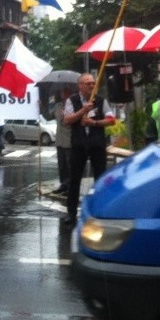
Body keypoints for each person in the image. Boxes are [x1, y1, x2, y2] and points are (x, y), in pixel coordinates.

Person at [63, 73, 115, 226]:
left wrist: (94, 123)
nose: (92, 86)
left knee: (100, 179)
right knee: (74, 179)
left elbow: (112, 120)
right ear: (80, 85)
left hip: (97, 144)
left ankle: (100, 210)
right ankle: (71, 212)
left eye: (93, 83)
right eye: (88, 83)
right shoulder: (72, 100)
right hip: (78, 144)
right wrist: (82, 111)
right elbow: (67, 120)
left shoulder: (100, 100)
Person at [52, 87, 73, 195]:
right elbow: (49, 116)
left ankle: (71, 187)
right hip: (59, 139)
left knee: (70, 165)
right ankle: (63, 185)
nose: (63, 94)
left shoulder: (73, 105)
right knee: (61, 165)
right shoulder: (58, 106)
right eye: (62, 92)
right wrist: (40, 107)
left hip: (69, 139)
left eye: (65, 92)